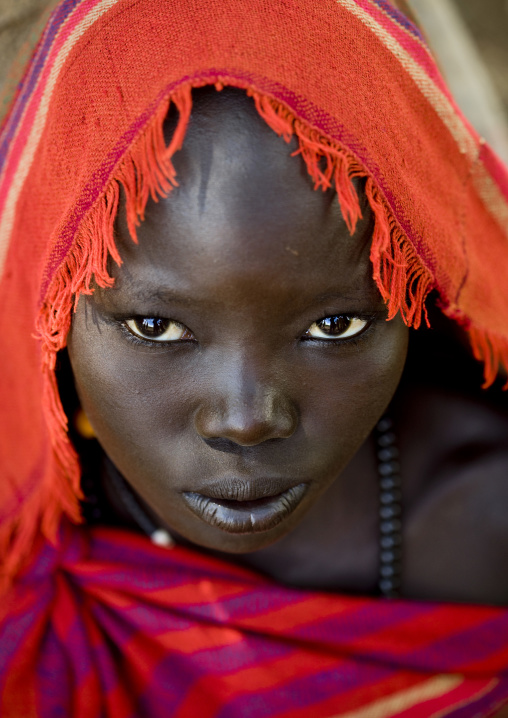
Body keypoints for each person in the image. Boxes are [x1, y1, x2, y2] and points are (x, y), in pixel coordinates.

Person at [1, 0, 508, 715]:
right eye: (155, 326)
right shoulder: (20, 552)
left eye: (334, 325)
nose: (246, 420)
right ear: (52, 309)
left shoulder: (486, 531)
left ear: (414, 298)